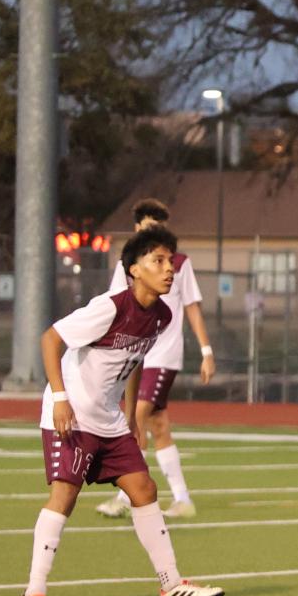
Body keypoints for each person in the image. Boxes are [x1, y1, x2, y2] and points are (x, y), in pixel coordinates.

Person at [18, 225, 226, 596]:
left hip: (110, 419)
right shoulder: (109, 307)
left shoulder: (162, 314)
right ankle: (34, 595)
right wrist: (60, 399)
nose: (169, 270)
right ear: (133, 269)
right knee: (65, 496)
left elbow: (136, 361)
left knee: (144, 489)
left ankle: (170, 586)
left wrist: (131, 417)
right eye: (158, 261)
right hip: (74, 412)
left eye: (170, 261)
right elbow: (50, 340)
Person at [96, 199, 214, 521]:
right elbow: (113, 306)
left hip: (164, 355)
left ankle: (126, 495)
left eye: (158, 228)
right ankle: (182, 499)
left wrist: (206, 351)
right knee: (158, 427)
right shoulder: (130, 265)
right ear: (137, 228)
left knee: (134, 418)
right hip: (138, 355)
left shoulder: (178, 262)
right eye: (147, 227)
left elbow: (192, 306)